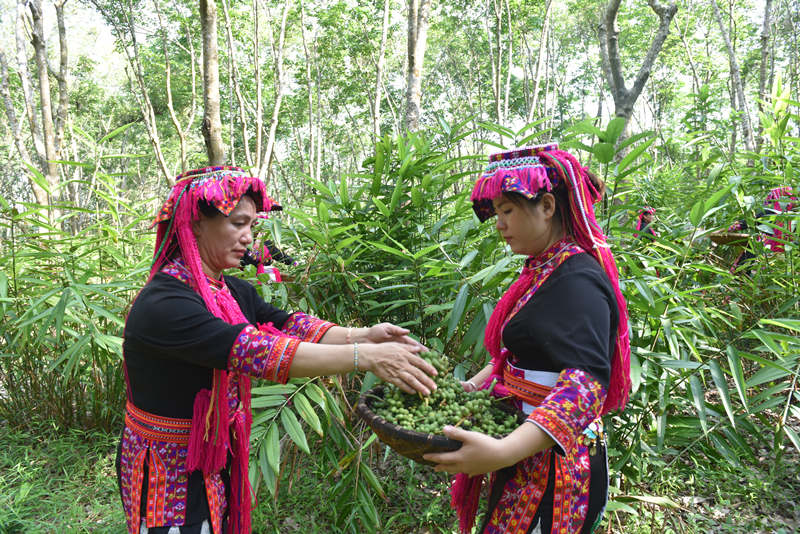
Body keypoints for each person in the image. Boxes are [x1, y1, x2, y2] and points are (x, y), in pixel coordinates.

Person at [116, 166, 437, 534]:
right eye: (238, 223)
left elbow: (289, 326)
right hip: (168, 467)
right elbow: (257, 352)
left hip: (213, 452)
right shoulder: (166, 303)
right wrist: (363, 357)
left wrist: (365, 335)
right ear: (197, 223)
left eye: (252, 226)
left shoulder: (231, 290)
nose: (249, 239)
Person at [424, 144, 631, 534]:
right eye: (497, 213)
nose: (499, 224)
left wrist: (502, 451)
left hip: (557, 461)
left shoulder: (578, 279)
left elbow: (585, 387)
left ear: (548, 206)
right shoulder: (542, 271)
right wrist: (472, 387)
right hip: (525, 446)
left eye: (508, 211)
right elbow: (514, 355)